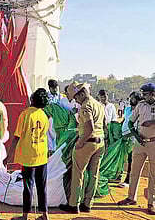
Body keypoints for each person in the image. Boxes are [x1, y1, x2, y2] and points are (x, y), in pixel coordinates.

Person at [117, 83, 155, 215]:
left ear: (153, 93)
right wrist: (136, 136)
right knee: (134, 171)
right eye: (143, 94)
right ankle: (131, 197)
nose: (143, 96)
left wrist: (154, 122)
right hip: (140, 142)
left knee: (154, 173)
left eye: (145, 94)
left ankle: (151, 202)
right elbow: (131, 122)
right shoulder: (141, 105)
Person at [60, 82, 105, 214]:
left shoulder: (86, 106)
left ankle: (74, 204)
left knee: (78, 173)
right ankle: (88, 204)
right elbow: (103, 124)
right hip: (100, 142)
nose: (75, 100)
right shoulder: (98, 104)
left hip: (88, 143)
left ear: (82, 93)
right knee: (94, 174)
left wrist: (80, 142)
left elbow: (89, 127)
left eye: (76, 97)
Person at [10, 88, 50, 220]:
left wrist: (8, 155)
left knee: (28, 186)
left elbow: (17, 137)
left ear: (32, 99)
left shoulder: (25, 114)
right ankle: (45, 215)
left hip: (28, 155)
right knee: (41, 186)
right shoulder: (44, 115)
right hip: (42, 155)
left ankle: (25, 215)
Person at [118, 91, 143, 188]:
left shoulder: (139, 112)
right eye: (130, 98)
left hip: (132, 139)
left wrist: (128, 135)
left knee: (130, 159)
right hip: (123, 138)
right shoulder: (127, 109)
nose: (130, 100)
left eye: (132, 98)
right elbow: (125, 120)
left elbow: (136, 127)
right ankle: (118, 176)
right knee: (122, 158)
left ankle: (128, 180)